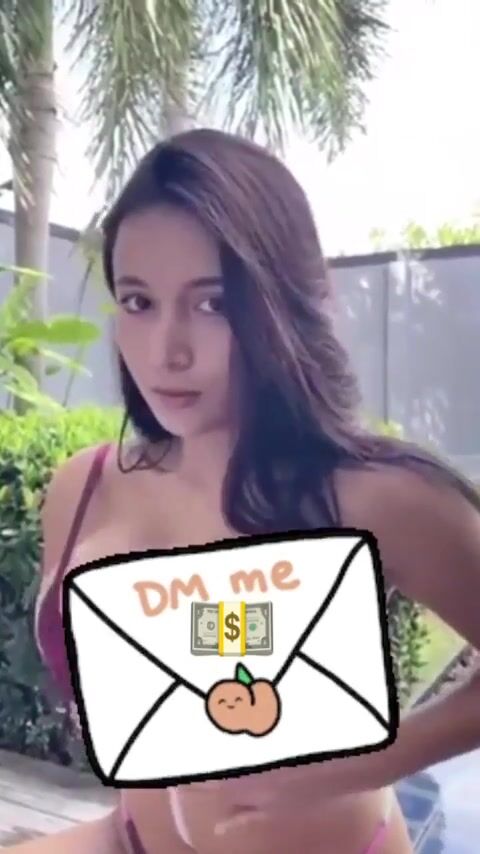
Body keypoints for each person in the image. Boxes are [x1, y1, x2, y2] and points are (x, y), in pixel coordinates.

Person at [13, 128, 480, 853]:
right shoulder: (83, 488)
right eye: (138, 301)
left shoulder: (375, 496)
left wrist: (349, 767)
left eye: (213, 304)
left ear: (284, 303)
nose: (166, 350)